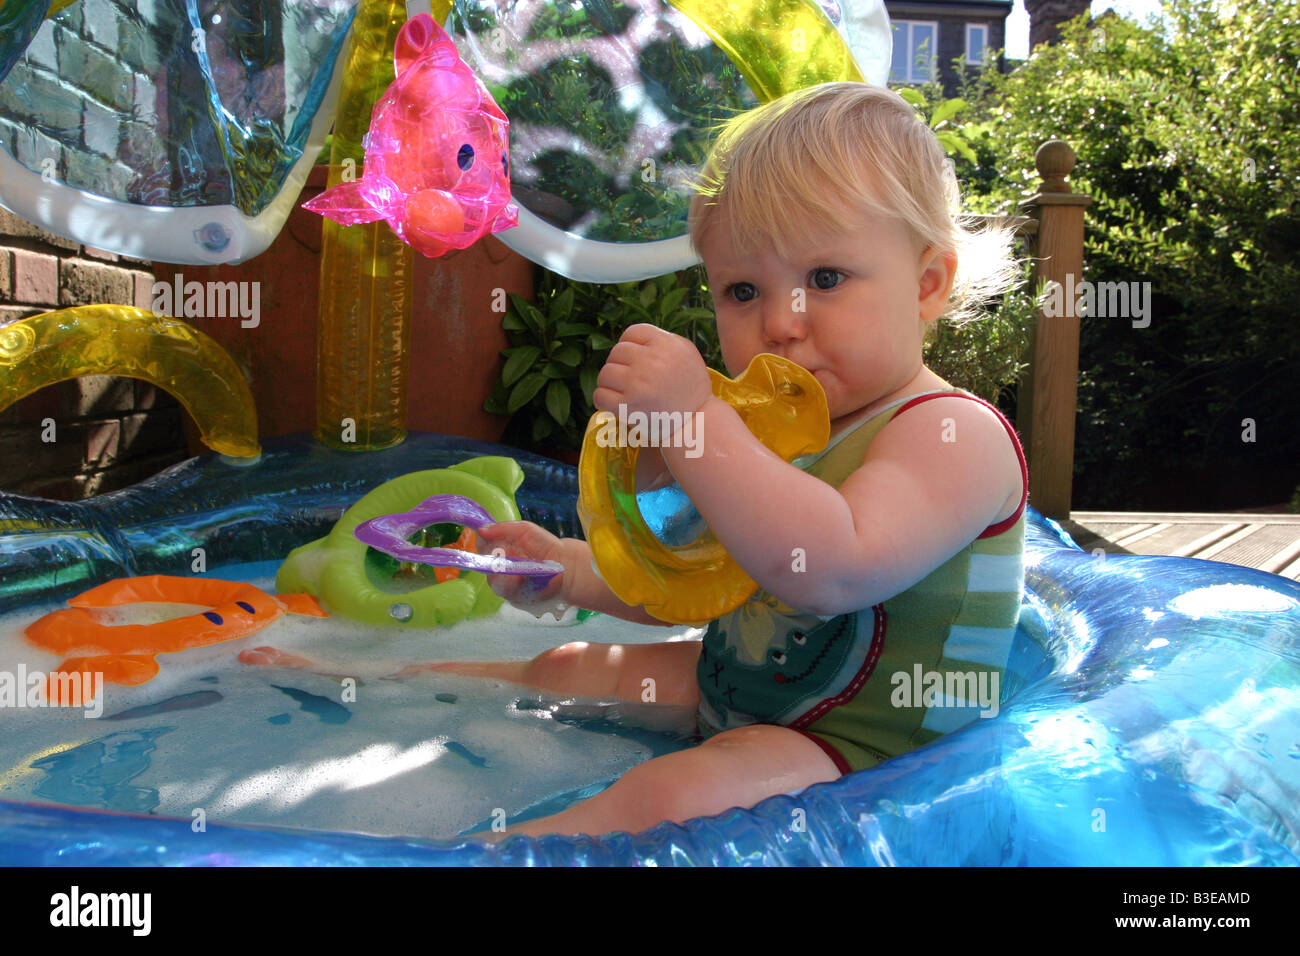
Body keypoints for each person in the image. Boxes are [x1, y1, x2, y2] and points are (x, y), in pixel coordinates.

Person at [438, 81, 1028, 838]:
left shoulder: (953, 435)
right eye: (743, 289)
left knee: (675, 794)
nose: (781, 322)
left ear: (927, 283)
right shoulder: (764, 437)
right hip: (739, 701)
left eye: (825, 279)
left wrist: (694, 423)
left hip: (871, 762)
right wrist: (568, 570)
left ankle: (489, 853)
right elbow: (695, 580)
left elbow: (828, 568)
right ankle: (376, 679)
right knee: (566, 666)